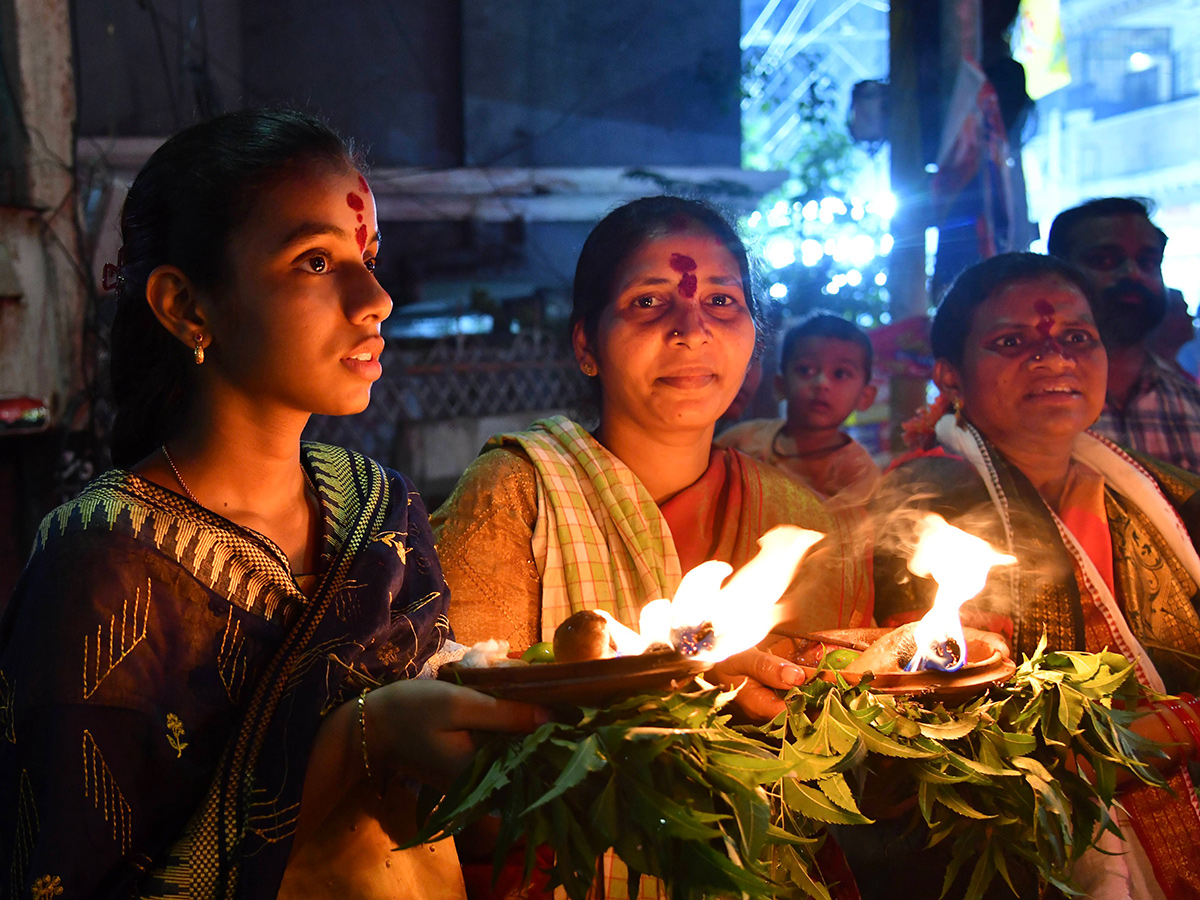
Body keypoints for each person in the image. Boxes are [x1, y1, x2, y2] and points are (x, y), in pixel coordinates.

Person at [0, 109, 544, 900]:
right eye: (316, 261)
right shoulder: (103, 560)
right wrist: (363, 737)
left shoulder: (378, 508)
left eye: (369, 256)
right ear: (187, 307)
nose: (376, 299)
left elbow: (447, 809)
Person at [432, 195, 870, 899]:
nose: (691, 331)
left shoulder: (797, 518)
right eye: (647, 303)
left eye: (723, 302)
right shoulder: (515, 493)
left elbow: (835, 763)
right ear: (585, 345)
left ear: (755, 339)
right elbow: (460, 743)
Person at [874, 252, 1200, 899]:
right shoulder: (927, 504)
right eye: (1012, 342)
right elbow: (970, 737)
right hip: (1023, 857)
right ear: (952, 376)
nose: (1054, 360)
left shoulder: (1169, 495)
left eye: (1077, 339)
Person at [1048, 197, 1200, 471]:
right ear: (1058, 273)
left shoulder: (1192, 405)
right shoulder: (1027, 405)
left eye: (1148, 262)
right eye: (1104, 260)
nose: (1133, 275)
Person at [716, 312, 881, 499]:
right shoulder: (742, 441)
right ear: (780, 385)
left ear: (865, 397)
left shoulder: (859, 473)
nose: (821, 382)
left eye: (840, 373)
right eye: (805, 370)